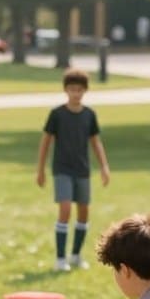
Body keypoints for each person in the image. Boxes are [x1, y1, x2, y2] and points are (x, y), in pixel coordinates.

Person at [36, 68, 111, 271]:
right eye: (71, 89)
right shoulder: (57, 114)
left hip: (83, 170)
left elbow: (96, 142)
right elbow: (45, 142)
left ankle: (76, 255)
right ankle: (61, 259)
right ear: (65, 90)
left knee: (84, 213)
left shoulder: (89, 115)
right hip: (62, 169)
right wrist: (40, 169)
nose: (75, 93)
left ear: (85, 91)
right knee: (65, 209)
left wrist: (104, 167)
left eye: (79, 90)